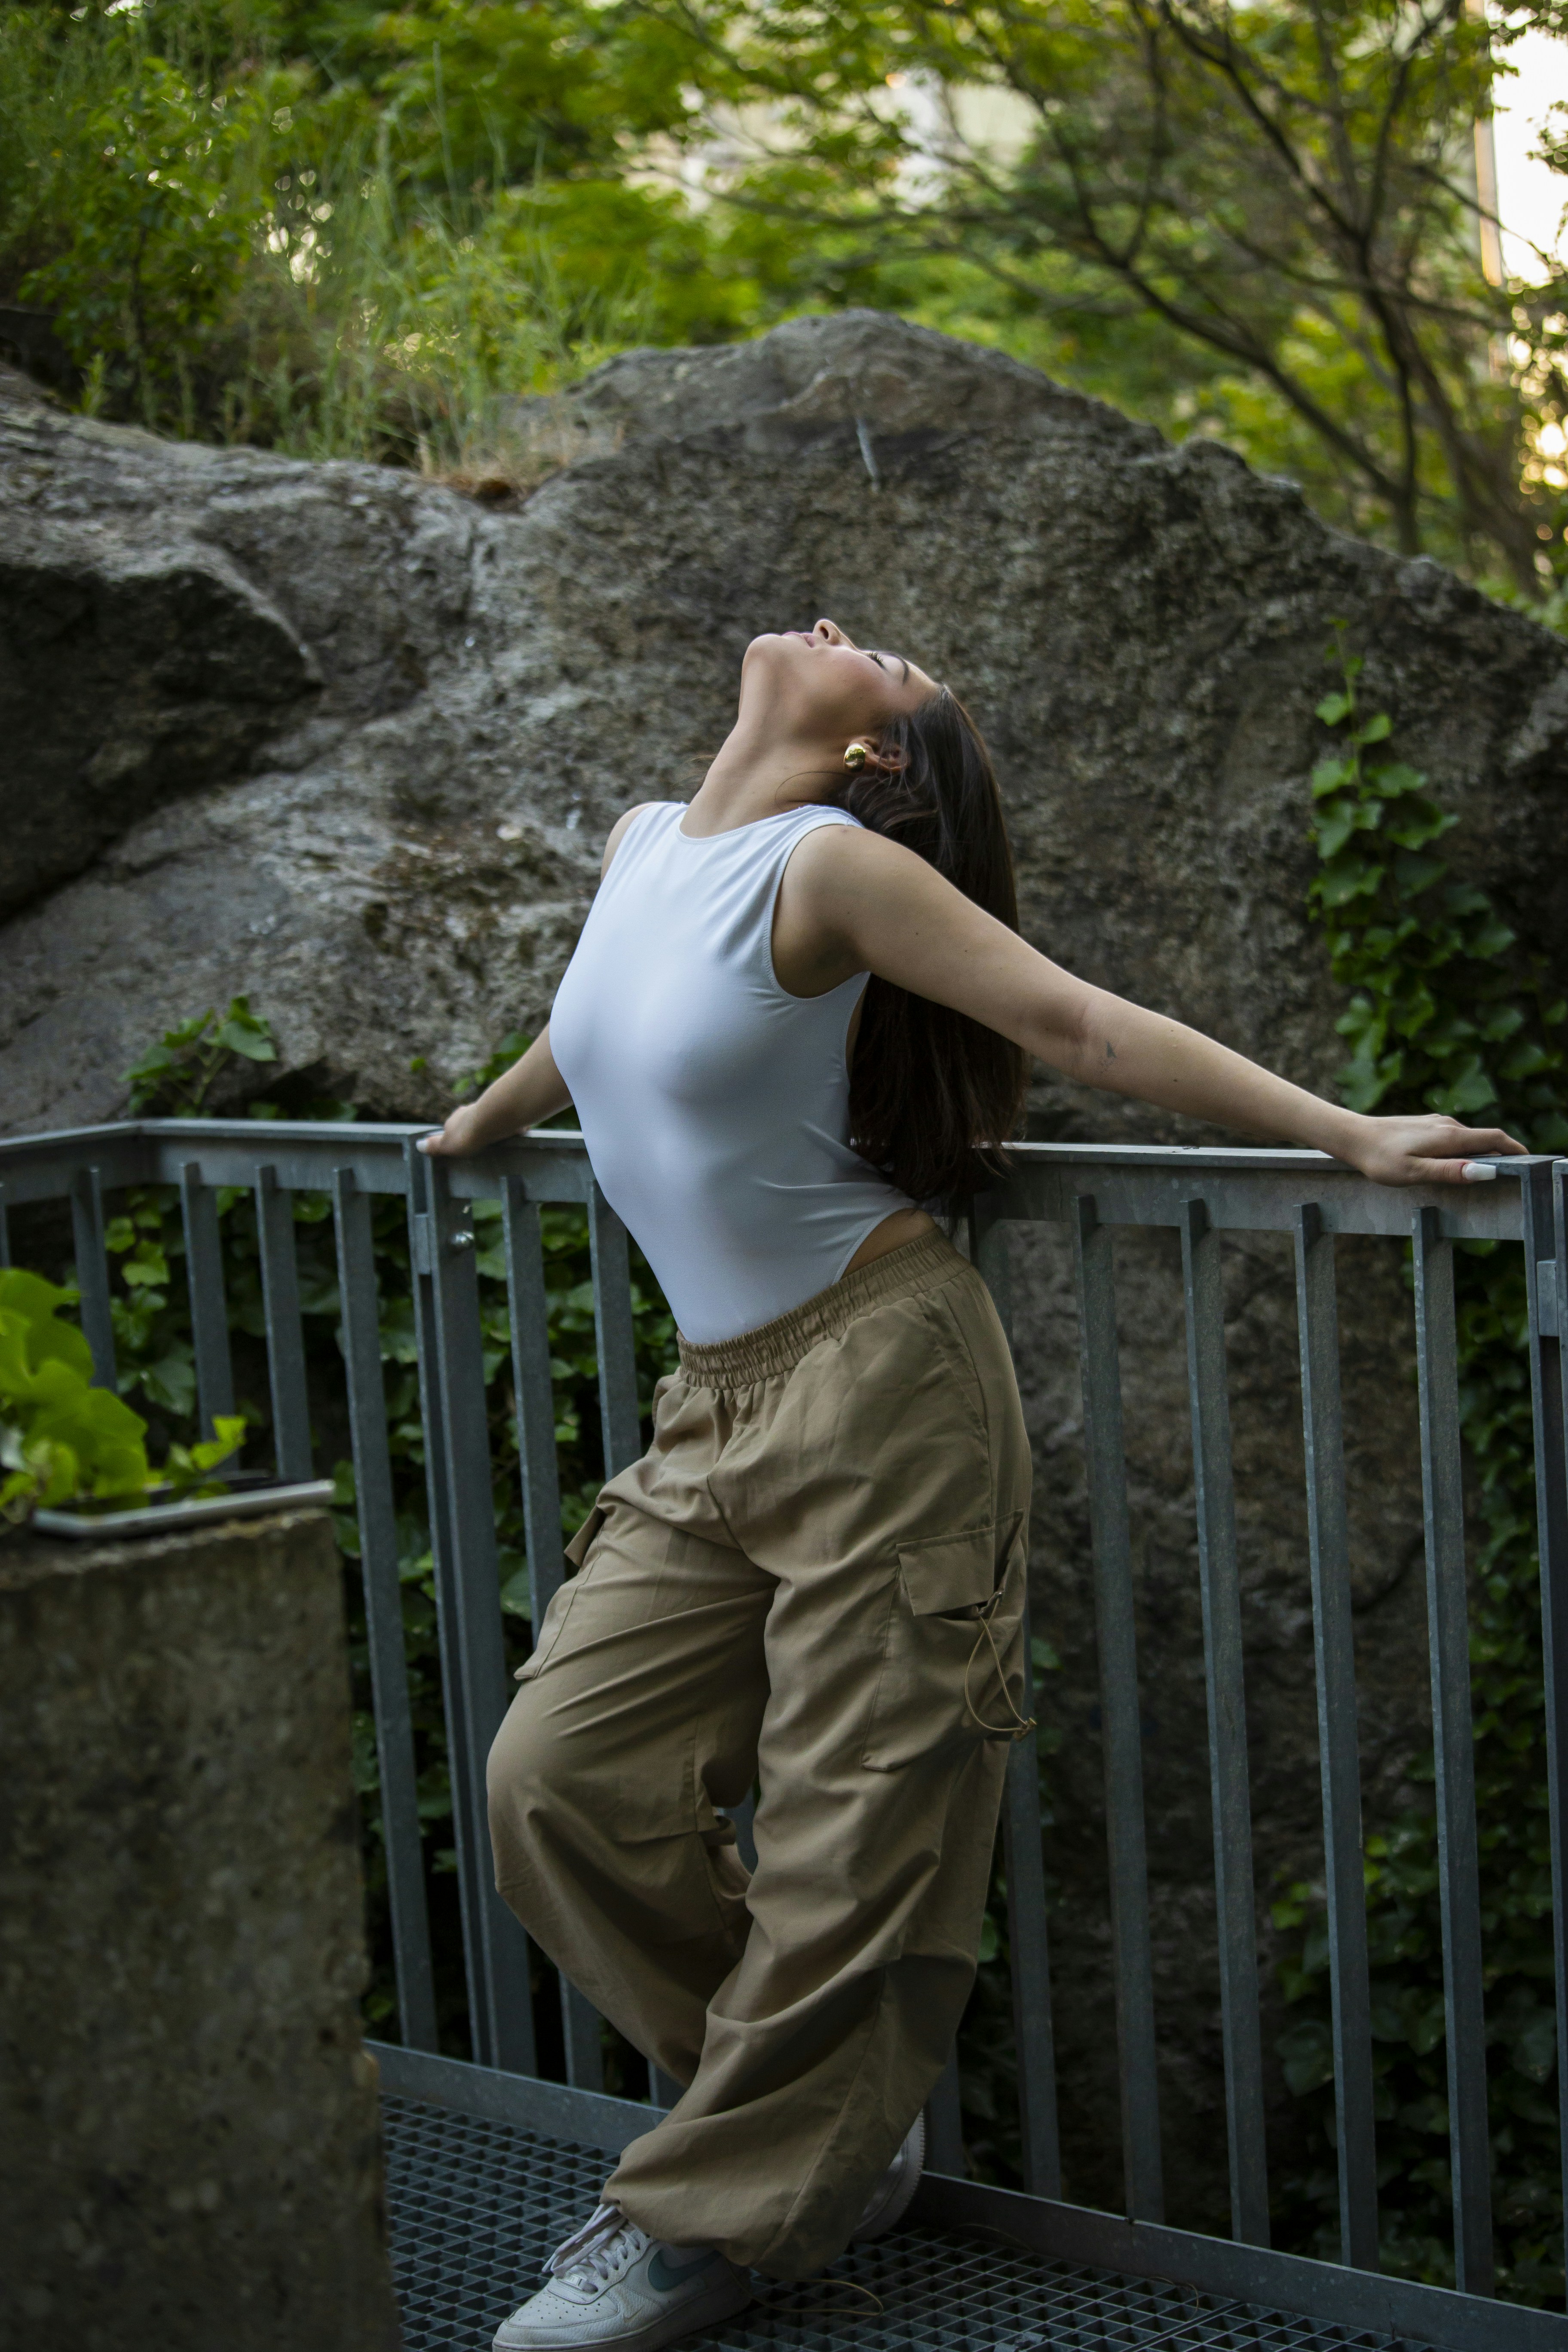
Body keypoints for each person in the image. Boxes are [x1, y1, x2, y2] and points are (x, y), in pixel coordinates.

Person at [419, 618, 1521, 2352]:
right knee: (558, 1778)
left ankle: (723, 2210)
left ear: (875, 757)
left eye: (893, 666)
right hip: (718, 1403)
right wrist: (488, 1116)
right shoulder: (649, 846)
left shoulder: (835, 867)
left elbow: (1078, 1023)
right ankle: (808, 2126)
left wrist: (1353, 1137)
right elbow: (603, 1026)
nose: (850, 631)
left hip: (887, 1382)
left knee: (864, 1819)